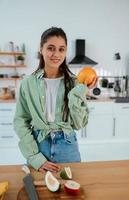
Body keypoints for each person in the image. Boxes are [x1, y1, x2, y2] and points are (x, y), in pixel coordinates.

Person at [13, 27, 97, 173]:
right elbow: (20, 121)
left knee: (71, 191)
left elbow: (78, 124)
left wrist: (79, 93)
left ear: (65, 52)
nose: (56, 54)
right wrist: (35, 157)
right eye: (51, 48)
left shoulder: (74, 83)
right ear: (41, 49)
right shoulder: (27, 83)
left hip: (68, 147)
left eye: (61, 49)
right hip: (39, 146)